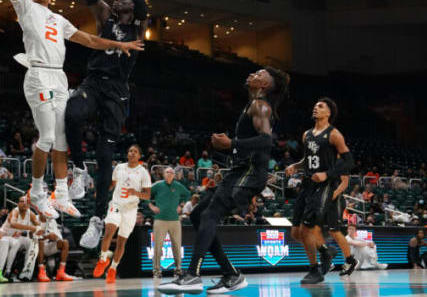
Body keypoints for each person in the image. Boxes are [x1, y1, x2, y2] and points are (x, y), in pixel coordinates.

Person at [0, 0, 143, 221]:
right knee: (50, 136)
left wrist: (120, 44)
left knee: (64, 139)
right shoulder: (25, 8)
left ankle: (62, 193)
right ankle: (39, 190)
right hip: (43, 75)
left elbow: (89, 41)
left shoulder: (59, 19)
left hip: (71, 81)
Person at [160, 68, 289, 293]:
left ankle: (192, 275)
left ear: (264, 86)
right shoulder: (252, 105)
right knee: (198, 214)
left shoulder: (261, 105)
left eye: (259, 74)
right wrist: (232, 149)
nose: (253, 74)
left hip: (249, 173)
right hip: (239, 171)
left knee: (210, 215)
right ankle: (231, 274)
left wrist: (232, 144)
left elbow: (266, 141)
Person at [60, 0, 148, 247]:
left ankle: (98, 218)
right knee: (71, 114)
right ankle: (79, 169)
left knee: (107, 154)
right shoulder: (105, 18)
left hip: (118, 92)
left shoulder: (139, 26)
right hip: (95, 82)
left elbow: (142, 4)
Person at [286, 98, 358, 284]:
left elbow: (349, 162)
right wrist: (296, 165)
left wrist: (327, 174)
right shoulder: (306, 135)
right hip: (308, 184)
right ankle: (327, 253)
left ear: (329, 113)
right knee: (295, 233)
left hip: (325, 185)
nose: (315, 107)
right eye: (315, 105)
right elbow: (307, 160)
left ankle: (314, 270)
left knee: (307, 228)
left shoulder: (334, 134)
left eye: (321, 106)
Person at [93, 145, 152, 284]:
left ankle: (113, 269)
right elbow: (112, 184)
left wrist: (135, 192)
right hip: (116, 204)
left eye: (135, 151)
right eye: (130, 151)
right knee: (108, 232)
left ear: (139, 156)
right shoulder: (119, 167)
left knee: (121, 241)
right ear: (127, 154)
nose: (132, 153)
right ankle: (102, 260)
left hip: (131, 209)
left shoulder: (143, 172)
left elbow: (148, 195)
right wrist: (101, 192)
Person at [149, 167, 190, 278]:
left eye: (171, 172)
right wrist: (151, 205)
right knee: (157, 247)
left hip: (175, 220)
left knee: (177, 246)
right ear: (163, 174)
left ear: (174, 175)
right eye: (167, 172)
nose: (169, 174)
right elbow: (145, 193)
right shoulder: (158, 185)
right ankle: (156, 271)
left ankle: (178, 270)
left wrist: (181, 205)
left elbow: (187, 194)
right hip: (160, 220)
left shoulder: (178, 186)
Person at [0, 196, 42, 281]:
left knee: (32, 244)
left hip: (17, 237)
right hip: (5, 236)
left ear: (29, 205)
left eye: (26, 202)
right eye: (22, 201)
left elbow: (38, 225)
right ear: (18, 204)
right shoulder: (15, 212)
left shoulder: (30, 213)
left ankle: (26, 272)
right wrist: (31, 228)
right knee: (17, 243)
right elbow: (13, 224)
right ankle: (7, 271)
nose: (24, 203)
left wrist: (38, 229)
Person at [38, 216, 74, 282]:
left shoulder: (52, 220)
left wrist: (55, 237)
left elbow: (59, 237)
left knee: (64, 242)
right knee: (41, 242)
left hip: (49, 246)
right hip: (36, 247)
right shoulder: (34, 218)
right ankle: (41, 272)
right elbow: (32, 237)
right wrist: (46, 237)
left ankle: (61, 272)